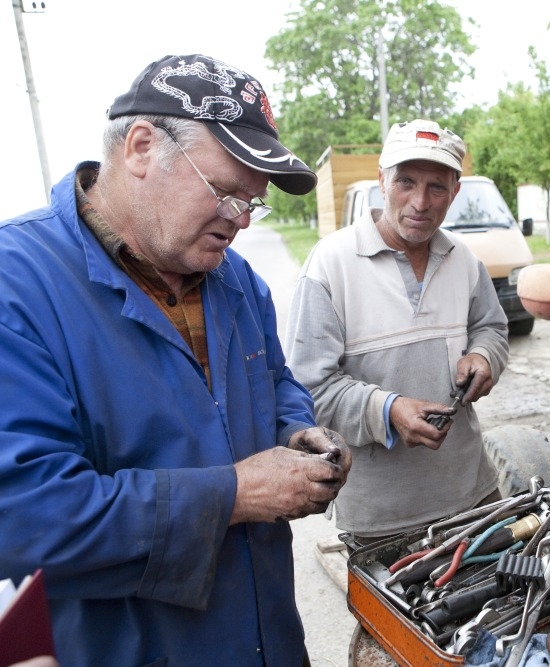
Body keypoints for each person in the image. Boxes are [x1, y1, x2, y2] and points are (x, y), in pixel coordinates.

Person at [0, 54, 352, 666]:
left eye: (252, 203)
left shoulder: (235, 278)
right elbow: (25, 517)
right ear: (141, 148)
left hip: (270, 639)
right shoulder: (17, 286)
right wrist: (234, 495)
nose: (239, 221)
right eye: (225, 191)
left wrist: (297, 431)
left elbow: (274, 381)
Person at [286, 119, 509, 546]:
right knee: (395, 615)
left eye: (437, 187)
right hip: (381, 517)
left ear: (455, 192)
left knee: (506, 604)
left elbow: (492, 329)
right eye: (406, 182)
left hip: (474, 495)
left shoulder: (464, 260)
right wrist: (387, 410)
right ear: (381, 181)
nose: (420, 202)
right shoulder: (330, 265)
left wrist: (483, 356)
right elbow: (308, 391)